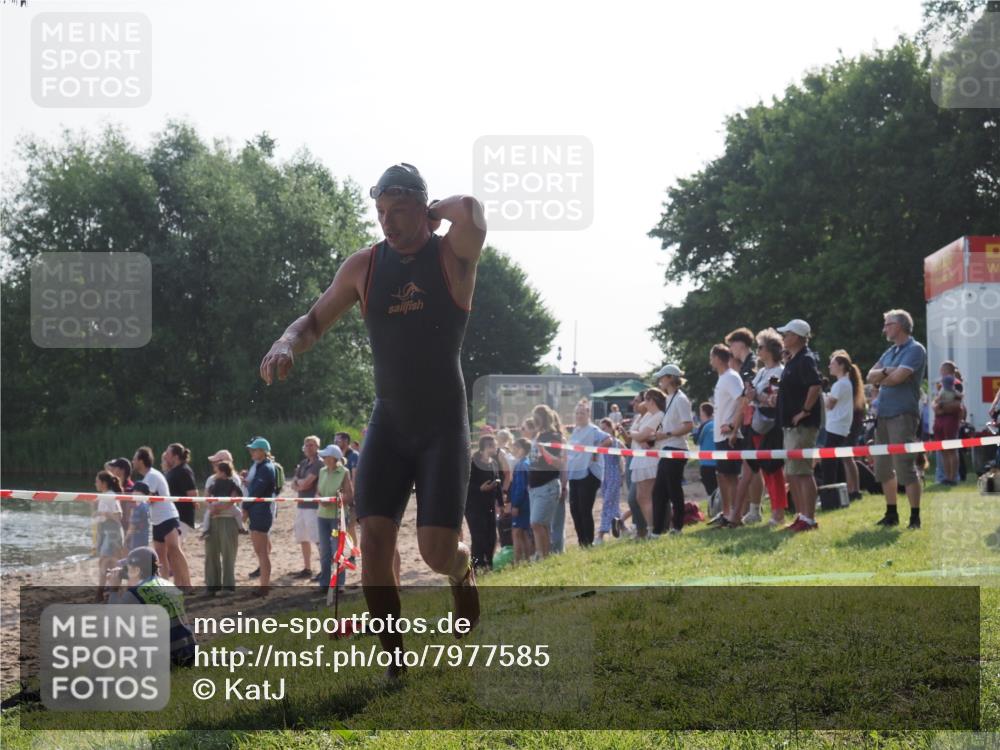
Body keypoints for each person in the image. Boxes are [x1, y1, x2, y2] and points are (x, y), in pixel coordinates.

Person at [259, 163, 486, 677]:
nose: (387, 222)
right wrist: (286, 341)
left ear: (425, 212)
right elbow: (314, 320)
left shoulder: (452, 257)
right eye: (380, 212)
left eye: (398, 212)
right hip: (389, 420)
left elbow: (470, 212)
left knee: (434, 551)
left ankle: (462, 570)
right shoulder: (364, 265)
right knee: (375, 544)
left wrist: (428, 212)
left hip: (443, 425)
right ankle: (394, 659)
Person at [866, 309, 927, 529]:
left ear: (899, 326)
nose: (884, 329)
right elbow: (870, 376)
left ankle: (915, 517)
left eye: (887, 324)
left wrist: (883, 376)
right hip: (882, 415)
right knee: (882, 468)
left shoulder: (916, 349)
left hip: (903, 414)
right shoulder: (890, 351)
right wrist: (887, 373)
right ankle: (891, 514)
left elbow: (898, 378)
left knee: (905, 467)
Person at [106, 547, 196, 666]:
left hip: (168, 661)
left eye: (127, 568)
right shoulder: (169, 585)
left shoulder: (135, 593)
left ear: (136, 570)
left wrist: (114, 589)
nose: (125, 571)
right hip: (190, 654)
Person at [775, 319, 822, 532]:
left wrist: (804, 411)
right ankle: (801, 515)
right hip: (791, 426)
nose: (783, 337)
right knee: (793, 472)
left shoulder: (806, 359)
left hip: (802, 426)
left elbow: (815, 385)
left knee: (802, 472)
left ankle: (809, 518)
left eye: (786, 334)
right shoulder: (794, 359)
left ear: (797, 336)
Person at [742, 329, 789, 527]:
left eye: (760, 347)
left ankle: (778, 513)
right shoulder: (761, 372)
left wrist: (756, 397)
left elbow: (774, 399)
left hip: (771, 426)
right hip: (757, 425)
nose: (757, 350)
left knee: (773, 469)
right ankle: (774, 511)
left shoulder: (778, 372)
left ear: (770, 350)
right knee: (764, 470)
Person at [133, 446, 191, 589]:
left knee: (174, 550)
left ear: (141, 461)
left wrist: (136, 496)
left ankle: (188, 584)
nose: (133, 461)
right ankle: (165, 586)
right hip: (156, 520)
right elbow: (144, 501)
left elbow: (149, 499)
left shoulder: (152, 475)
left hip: (168, 517)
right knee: (160, 556)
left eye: (135, 458)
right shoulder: (146, 478)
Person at [649, 366, 694, 535]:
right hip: (668, 448)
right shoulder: (670, 398)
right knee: (660, 491)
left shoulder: (681, 399)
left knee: (672, 490)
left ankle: (677, 527)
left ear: (670, 378)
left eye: (662, 377)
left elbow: (688, 425)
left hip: (677, 449)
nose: (660, 380)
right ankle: (658, 530)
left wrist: (666, 434)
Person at [566, 399, 612, 547]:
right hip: (574, 474)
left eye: (582, 413)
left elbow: (608, 439)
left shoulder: (593, 430)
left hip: (589, 474)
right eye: (577, 413)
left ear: (588, 414)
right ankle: (581, 542)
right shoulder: (575, 431)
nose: (579, 415)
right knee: (574, 509)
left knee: (584, 508)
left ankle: (588, 542)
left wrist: (596, 450)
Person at [708, 345, 744, 527]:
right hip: (719, 435)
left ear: (718, 358)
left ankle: (736, 514)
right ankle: (727, 512)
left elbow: (742, 401)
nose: (710, 360)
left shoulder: (731, 377)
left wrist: (733, 427)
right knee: (722, 474)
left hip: (730, 435)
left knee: (731, 475)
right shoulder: (722, 378)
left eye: (711, 356)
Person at [822, 350, 865, 497]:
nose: (829, 366)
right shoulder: (846, 383)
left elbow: (830, 405)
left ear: (840, 366)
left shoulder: (840, 385)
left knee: (829, 461)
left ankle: (830, 492)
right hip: (841, 426)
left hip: (835, 426)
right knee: (846, 458)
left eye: (832, 363)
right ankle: (854, 490)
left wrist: (823, 396)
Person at [528, 404, 567, 559]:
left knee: (537, 522)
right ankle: (542, 555)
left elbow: (558, 463)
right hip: (535, 487)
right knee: (539, 524)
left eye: (536, 417)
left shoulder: (554, 437)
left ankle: (543, 555)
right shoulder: (538, 436)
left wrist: (543, 451)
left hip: (548, 485)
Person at [629, 389, 668, 537]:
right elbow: (635, 432)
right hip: (641, 458)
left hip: (649, 459)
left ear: (652, 400)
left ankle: (653, 528)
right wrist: (636, 434)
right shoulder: (648, 415)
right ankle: (651, 527)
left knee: (646, 496)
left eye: (645, 399)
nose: (643, 403)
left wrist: (636, 434)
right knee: (641, 497)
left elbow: (639, 435)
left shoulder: (659, 415)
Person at [317, 444, 355, 594]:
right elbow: (319, 491)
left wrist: (334, 500)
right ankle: (325, 583)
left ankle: (339, 584)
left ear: (333, 458)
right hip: (322, 516)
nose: (323, 458)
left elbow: (349, 495)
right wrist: (320, 500)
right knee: (325, 551)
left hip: (338, 517)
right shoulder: (322, 471)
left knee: (337, 551)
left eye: (326, 456)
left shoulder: (344, 472)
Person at [241, 437, 277, 595]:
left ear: (263, 451)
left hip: (260, 512)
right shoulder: (261, 466)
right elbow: (256, 488)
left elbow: (256, 492)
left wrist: (245, 507)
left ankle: (264, 586)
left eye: (254, 450)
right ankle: (264, 584)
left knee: (261, 551)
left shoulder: (265, 468)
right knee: (262, 551)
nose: (251, 452)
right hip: (259, 510)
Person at [202, 460, 243, 595]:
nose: (215, 466)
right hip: (214, 519)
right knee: (211, 553)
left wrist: (219, 508)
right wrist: (212, 508)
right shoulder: (212, 480)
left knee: (228, 553)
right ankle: (212, 586)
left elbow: (235, 498)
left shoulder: (233, 479)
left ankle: (228, 586)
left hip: (227, 519)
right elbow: (206, 496)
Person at [466, 436, 502, 571]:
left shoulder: (493, 463)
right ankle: (477, 566)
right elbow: (465, 484)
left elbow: (497, 484)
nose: (494, 448)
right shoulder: (472, 463)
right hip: (473, 506)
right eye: (490, 446)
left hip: (489, 506)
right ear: (483, 448)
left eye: (494, 445)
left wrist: (501, 504)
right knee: (478, 536)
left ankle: (489, 564)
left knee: (491, 536)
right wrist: (479, 489)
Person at [291, 435, 323, 579]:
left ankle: (324, 568)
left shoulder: (318, 463)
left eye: (312, 445)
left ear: (317, 447)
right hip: (301, 504)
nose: (309, 447)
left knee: (317, 538)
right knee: (303, 537)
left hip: (313, 506)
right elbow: (293, 485)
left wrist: (299, 481)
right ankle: (307, 568)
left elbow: (305, 484)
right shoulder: (303, 463)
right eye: (307, 445)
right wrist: (299, 481)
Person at [94, 470, 125, 602]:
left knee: (106, 564)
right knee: (110, 565)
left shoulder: (109, 496)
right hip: (108, 533)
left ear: (104, 483)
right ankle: (110, 593)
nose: (95, 483)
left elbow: (119, 516)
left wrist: (106, 514)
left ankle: (101, 593)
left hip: (113, 534)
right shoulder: (106, 496)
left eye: (97, 481)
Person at [932, 361, 964, 485]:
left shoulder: (956, 385)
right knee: (943, 449)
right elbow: (935, 402)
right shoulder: (940, 385)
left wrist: (941, 408)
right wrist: (936, 407)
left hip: (951, 420)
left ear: (948, 371)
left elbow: (957, 405)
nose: (941, 373)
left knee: (951, 449)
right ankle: (946, 477)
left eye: (942, 370)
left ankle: (953, 477)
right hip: (939, 421)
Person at [596, 417, 624, 543]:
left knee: (608, 503)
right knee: (613, 503)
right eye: (601, 429)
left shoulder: (613, 441)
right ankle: (623, 527)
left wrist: (622, 474)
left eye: (605, 428)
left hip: (613, 475)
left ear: (610, 428)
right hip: (604, 476)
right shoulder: (604, 442)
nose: (603, 431)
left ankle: (601, 533)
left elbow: (625, 454)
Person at [163, 443, 199, 537]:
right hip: (172, 516)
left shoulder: (184, 471)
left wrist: (195, 505)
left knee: (174, 548)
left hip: (181, 518)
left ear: (175, 456)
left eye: (168, 454)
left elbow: (193, 493)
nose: (165, 456)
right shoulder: (172, 471)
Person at [508, 438, 533, 562]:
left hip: (522, 504)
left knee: (517, 532)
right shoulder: (526, 463)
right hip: (527, 503)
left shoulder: (521, 465)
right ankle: (527, 559)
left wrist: (516, 505)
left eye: (515, 448)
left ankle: (518, 561)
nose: (513, 450)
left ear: (522, 449)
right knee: (524, 532)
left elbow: (520, 487)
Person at [694, 403, 718, 498]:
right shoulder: (718, 423)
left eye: (700, 411)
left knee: (711, 492)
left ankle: (713, 509)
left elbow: (697, 441)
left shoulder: (705, 426)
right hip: (719, 462)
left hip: (707, 463)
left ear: (703, 412)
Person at [104, 457, 135, 532]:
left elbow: (129, 514)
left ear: (122, 470)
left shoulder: (130, 488)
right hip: (117, 525)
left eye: (115, 467)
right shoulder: (117, 485)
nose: (112, 470)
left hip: (125, 527)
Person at [125, 481, 151, 551]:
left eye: (134, 491)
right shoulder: (147, 506)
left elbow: (132, 526)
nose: (132, 493)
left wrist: (126, 539)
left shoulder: (138, 508)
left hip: (138, 541)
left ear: (140, 492)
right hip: (146, 539)